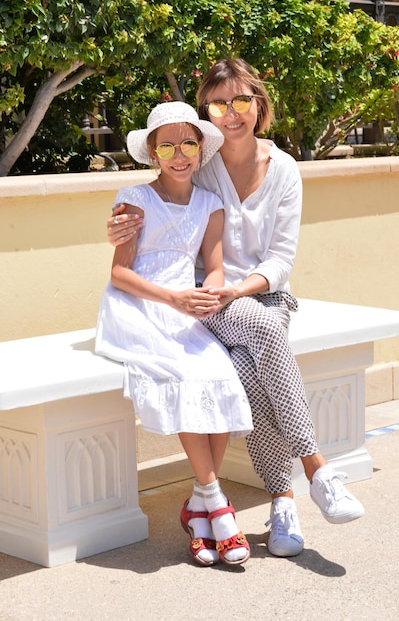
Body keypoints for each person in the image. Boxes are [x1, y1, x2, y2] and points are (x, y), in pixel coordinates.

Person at [106, 58, 365, 559]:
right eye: (219, 104)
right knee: (261, 339)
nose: (231, 113)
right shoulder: (199, 163)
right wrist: (118, 227)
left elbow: (282, 258)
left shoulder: (285, 169)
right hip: (206, 296)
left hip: (260, 293)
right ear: (208, 113)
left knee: (253, 357)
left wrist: (240, 289)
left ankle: (285, 498)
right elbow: (158, 203)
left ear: (258, 104)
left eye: (241, 100)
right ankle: (312, 472)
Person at [95, 101, 252, 567]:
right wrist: (174, 299)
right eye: (167, 145)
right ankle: (217, 504)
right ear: (152, 151)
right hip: (138, 308)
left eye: (188, 143)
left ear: (201, 148)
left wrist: (211, 295)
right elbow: (119, 274)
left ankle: (199, 508)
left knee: (222, 375)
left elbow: (217, 267)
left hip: (187, 309)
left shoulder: (209, 204)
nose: (179, 154)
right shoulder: (133, 199)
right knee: (183, 375)